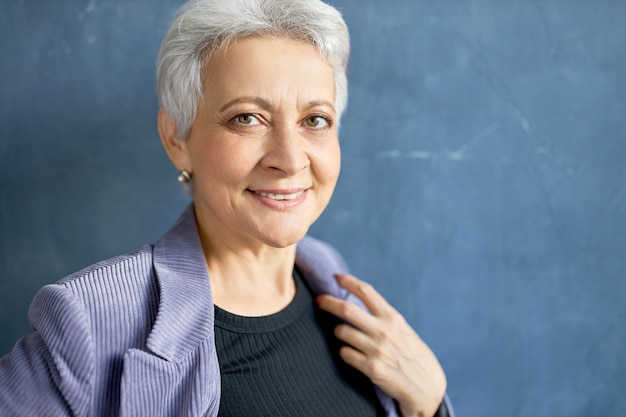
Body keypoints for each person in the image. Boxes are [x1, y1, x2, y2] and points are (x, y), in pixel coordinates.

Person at [0, 0, 454, 416]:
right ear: (176, 139)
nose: (290, 159)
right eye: (247, 118)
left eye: (314, 120)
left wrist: (429, 403)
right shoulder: (91, 321)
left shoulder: (334, 283)